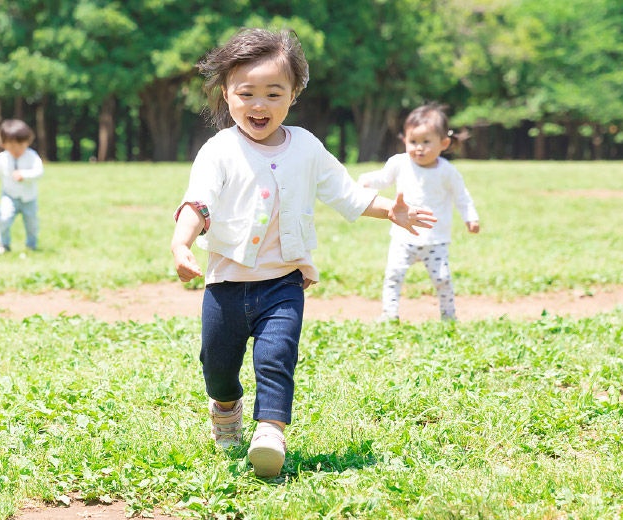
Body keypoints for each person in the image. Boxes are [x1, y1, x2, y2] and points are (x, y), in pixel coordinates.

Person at [170, 28, 436, 478]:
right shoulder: (219, 151)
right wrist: (182, 242)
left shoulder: (307, 147)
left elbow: (346, 193)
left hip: (283, 282)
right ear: (226, 94)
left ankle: (270, 431)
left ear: (293, 95)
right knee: (217, 366)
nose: (260, 105)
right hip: (225, 286)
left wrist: (392, 210)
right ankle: (226, 407)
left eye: (274, 93)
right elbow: (199, 202)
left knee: (277, 357)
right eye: (246, 93)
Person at [358, 103, 480, 322]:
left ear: (444, 143)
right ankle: (389, 314)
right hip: (403, 236)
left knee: (442, 278)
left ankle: (449, 316)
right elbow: (383, 178)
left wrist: (470, 217)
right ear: (404, 140)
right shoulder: (399, 163)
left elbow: (462, 196)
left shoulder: (447, 171)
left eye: (426, 142)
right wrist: (367, 181)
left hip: (435, 239)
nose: (418, 148)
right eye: (413, 141)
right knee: (393, 275)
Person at [0, 119, 44, 258]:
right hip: (9, 196)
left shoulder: (32, 156)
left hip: (29, 198)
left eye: (20, 146)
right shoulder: (2, 158)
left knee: (32, 223)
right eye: (12, 146)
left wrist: (24, 174)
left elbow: (39, 171)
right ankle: (4, 245)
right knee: (4, 218)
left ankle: (31, 245)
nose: (16, 150)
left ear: (28, 142)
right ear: (3, 144)